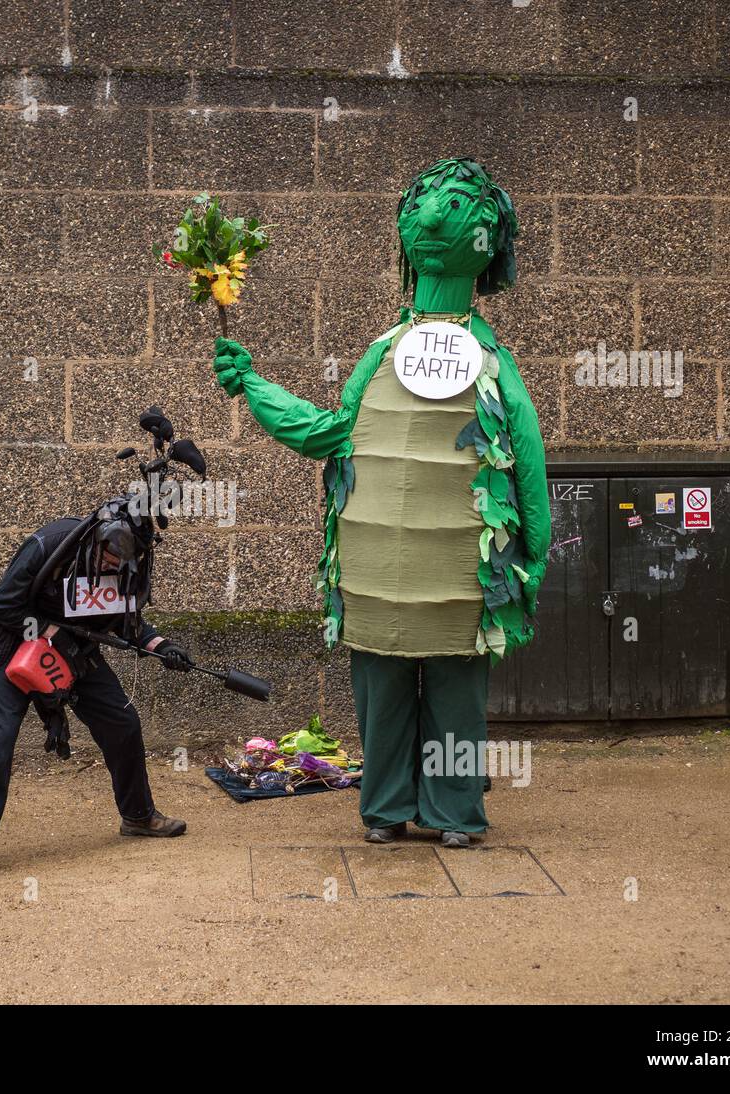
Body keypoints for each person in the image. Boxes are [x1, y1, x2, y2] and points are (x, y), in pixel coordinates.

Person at [211, 158, 551, 848]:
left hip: (394, 579)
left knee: (394, 695)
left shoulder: (388, 353)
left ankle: (394, 811)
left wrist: (254, 385)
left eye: (444, 208)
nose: (431, 217)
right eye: (430, 206)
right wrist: (534, 557)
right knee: (448, 698)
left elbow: (325, 431)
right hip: (450, 581)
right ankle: (444, 814)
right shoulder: (487, 362)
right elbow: (529, 467)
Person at [0, 497, 190, 886]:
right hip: (17, 648)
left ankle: (138, 816)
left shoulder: (128, 562)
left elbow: (124, 619)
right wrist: (55, 633)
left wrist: (160, 645)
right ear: (98, 540)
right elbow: (2, 608)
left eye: (121, 564)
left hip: (75, 652)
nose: (112, 567)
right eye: (108, 558)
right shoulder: (50, 545)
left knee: (122, 723)